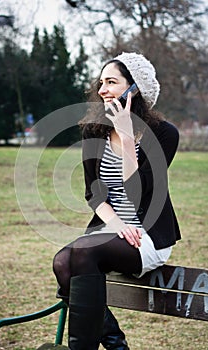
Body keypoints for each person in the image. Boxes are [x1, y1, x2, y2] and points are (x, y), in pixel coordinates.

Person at [53, 52, 181, 350]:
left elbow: (140, 190)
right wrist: (118, 224)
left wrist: (125, 137)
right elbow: (93, 195)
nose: (102, 89)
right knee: (62, 262)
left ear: (134, 89)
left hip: (148, 237)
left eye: (111, 82)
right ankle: (115, 343)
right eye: (101, 82)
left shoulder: (164, 134)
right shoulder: (92, 131)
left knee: (83, 253)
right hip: (114, 229)